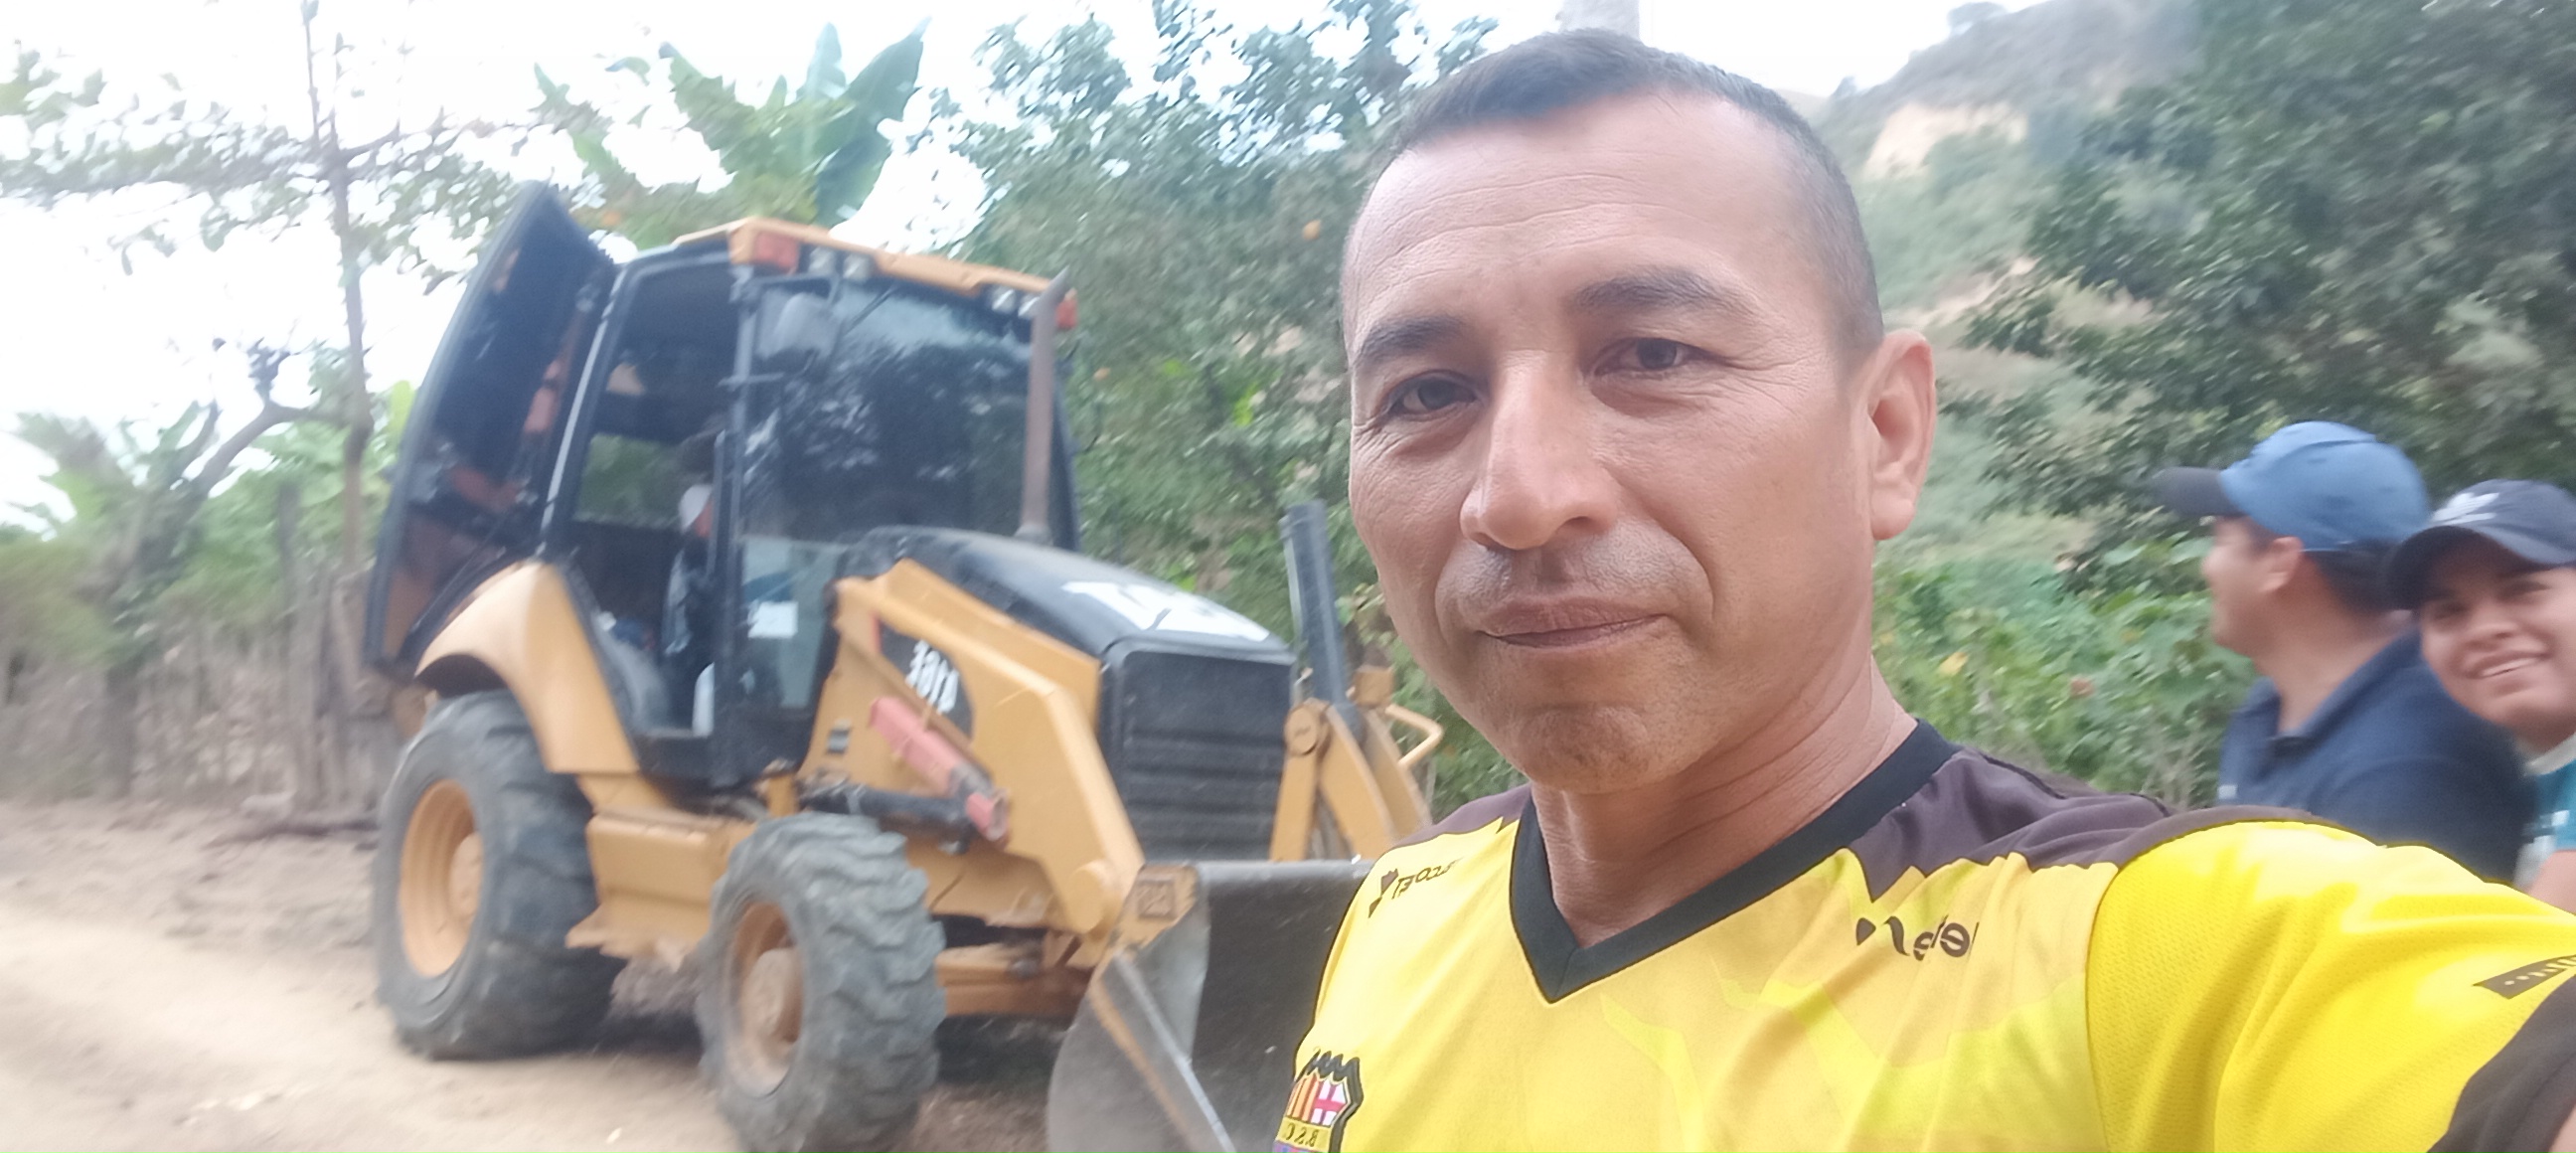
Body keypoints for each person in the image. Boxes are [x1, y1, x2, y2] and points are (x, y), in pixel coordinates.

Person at [1283, 30, 2576, 1153]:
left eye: (1654, 355)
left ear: (1887, 436)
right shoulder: (1404, 906)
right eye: (1426, 393)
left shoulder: (2160, 949)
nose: (1518, 495)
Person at [2153, 422, 2526, 880]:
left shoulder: (2400, 774)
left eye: (2220, 541)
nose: (2206, 566)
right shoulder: (2280, 703)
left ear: (2280, 563)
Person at [2391, 480, 2576, 911]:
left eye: (2523, 590)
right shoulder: (2533, 775)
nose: (2484, 629)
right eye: (2448, 611)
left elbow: (2537, 948)